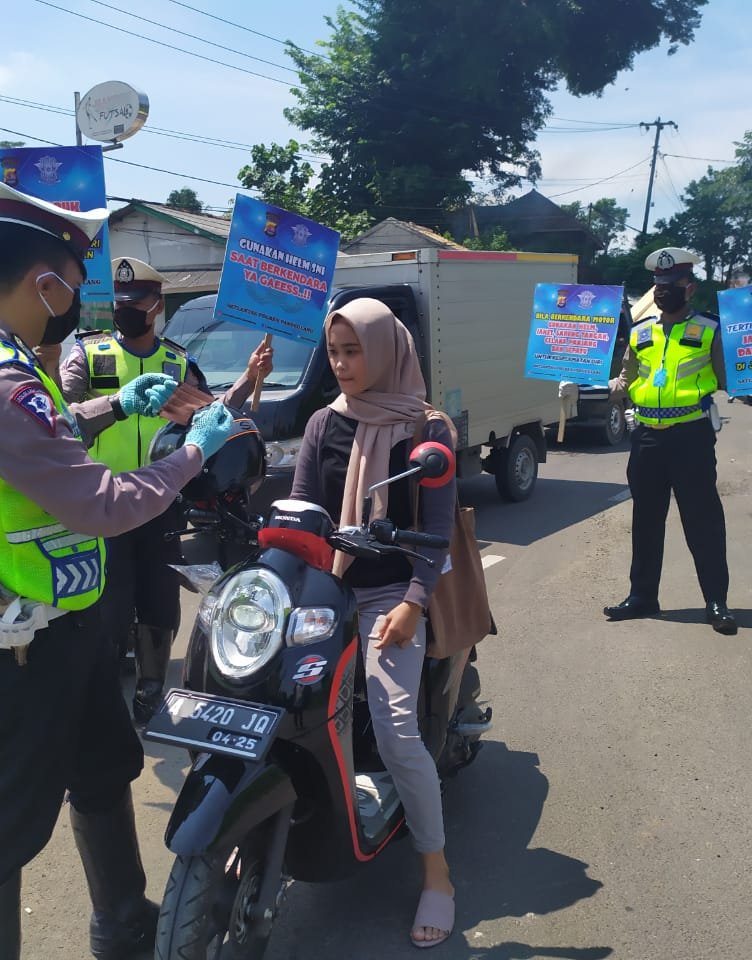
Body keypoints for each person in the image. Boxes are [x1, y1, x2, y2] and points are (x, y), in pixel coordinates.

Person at [0, 172, 238, 960]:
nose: (81, 295)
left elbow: (45, 436)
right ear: (44, 282)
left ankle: (123, 925)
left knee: (104, 766)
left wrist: (115, 407)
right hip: (16, 643)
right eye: (73, 279)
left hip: (64, 625)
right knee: (8, 818)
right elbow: (99, 503)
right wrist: (196, 452)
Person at [290, 297, 459, 949]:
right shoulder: (320, 425)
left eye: (354, 350)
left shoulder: (429, 431)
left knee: (393, 730)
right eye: (334, 352)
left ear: (386, 349)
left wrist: (414, 603)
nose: (342, 364)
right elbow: (303, 509)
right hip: (328, 587)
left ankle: (437, 875)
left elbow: (436, 534)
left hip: (394, 590)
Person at [59, 255, 273, 724]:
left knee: (159, 599)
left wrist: (249, 377)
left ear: (156, 305)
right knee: (108, 605)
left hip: (161, 505)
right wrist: (115, 401)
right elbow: (61, 419)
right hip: (103, 504)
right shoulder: (87, 355)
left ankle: (151, 687)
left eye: (135, 301)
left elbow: (210, 416)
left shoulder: (176, 360)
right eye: (120, 301)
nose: (125, 308)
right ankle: (108, 690)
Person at [606, 247, 737, 635]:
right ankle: (643, 597)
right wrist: (581, 387)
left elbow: (732, 380)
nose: (663, 291)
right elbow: (625, 383)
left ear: (689, 288)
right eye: (658, 285)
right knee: (645, 520)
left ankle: (716, 601)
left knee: (703, 520)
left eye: (671, 285)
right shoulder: (640, 331)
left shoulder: (711, 329)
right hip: (646, 437)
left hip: (691, 436)